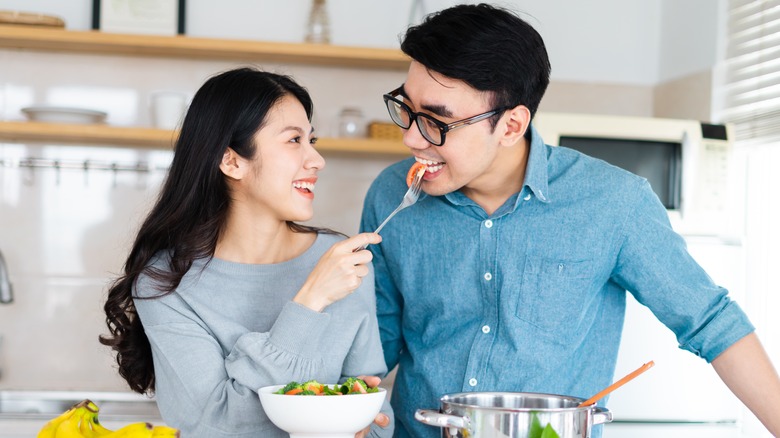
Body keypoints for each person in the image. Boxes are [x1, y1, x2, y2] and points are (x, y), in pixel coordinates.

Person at [359, 4, 780, 438]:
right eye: (406, 109)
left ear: (510, 125)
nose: (411, 137)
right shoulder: (392, 195)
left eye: (434, 121)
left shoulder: (613, 202)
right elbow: (376, 342)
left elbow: (712, 323)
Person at [100, 67, 393, 438]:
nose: (316, 160)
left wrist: (366, 423)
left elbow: (375, 411)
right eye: (293, 141)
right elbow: (215, 425)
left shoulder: (341, 262)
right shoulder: (165, 283)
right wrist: (310, 301)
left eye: (312, 140)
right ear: (231, 161)